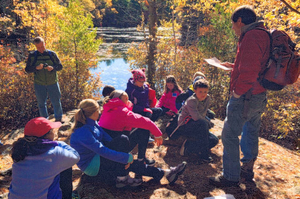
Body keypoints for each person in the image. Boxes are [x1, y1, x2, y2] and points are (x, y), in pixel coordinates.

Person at [209, 5, 270, 187]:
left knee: (229, 135)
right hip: (259, 95)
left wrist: (236, 94)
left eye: (233, 24)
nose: (233, 28)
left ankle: (230, 176)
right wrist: (234, 66)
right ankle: (247, 169)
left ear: (240, 22)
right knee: (251, 131)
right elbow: (256, 63)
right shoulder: (263, 33)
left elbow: (249, 74)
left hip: (246, 97)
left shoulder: (250, 36)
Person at [70, 99, 186, 188]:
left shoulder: (92, 123)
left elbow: (108, 140)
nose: (100, 112)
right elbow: (101, 150)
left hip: (99, 158)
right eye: (98, 110)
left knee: (124, 144)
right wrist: (125, 157)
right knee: (126, 152)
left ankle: (166, 174)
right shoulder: (82, 132)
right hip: (92, 166)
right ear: (93, 112)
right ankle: (122, 178)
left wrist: (123, 154)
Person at [9, 117, 79, 199]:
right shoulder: (54, 153)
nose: (54, 132)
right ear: (47, 136)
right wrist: (58, 143)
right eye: (52, 130)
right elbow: (76, 157)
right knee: (66, 167)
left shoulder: (20, 152)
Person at [99, 90, 162, 166]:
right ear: (123, 99)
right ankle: (141, 161)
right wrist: (157, 134)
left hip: (107, 146)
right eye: (126, 98)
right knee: (143, 129)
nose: (128, 101)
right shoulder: (122, 112)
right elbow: (144, 121)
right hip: (118, 147)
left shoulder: (107, 108)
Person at [175, 79, 219, 162]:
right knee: (203, 124)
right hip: (185, 125)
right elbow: (196, 117)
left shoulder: (207, 98)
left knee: (214, 140)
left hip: (197, 124)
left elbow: (203, 113)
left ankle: (189, 147)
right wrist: (207, 122)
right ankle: (204, 155)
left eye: (205, 92)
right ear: (195, 91)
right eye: (200, 92)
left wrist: (207, 122)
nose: (203, 94)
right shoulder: (191, 101)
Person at [25, 37, 64, 122]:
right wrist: (36, 68)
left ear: (44, 44)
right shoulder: (32, 56)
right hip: (39, 84)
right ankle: (45, 122)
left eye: (42, 46)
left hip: (52, 82)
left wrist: (52, 68)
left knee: (56, 102)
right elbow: (27, 69)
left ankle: (58, 120)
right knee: (41, 104)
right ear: (35, 46)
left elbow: (60, 66)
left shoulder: (52, 54)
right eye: (38, 47)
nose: (41, 49)